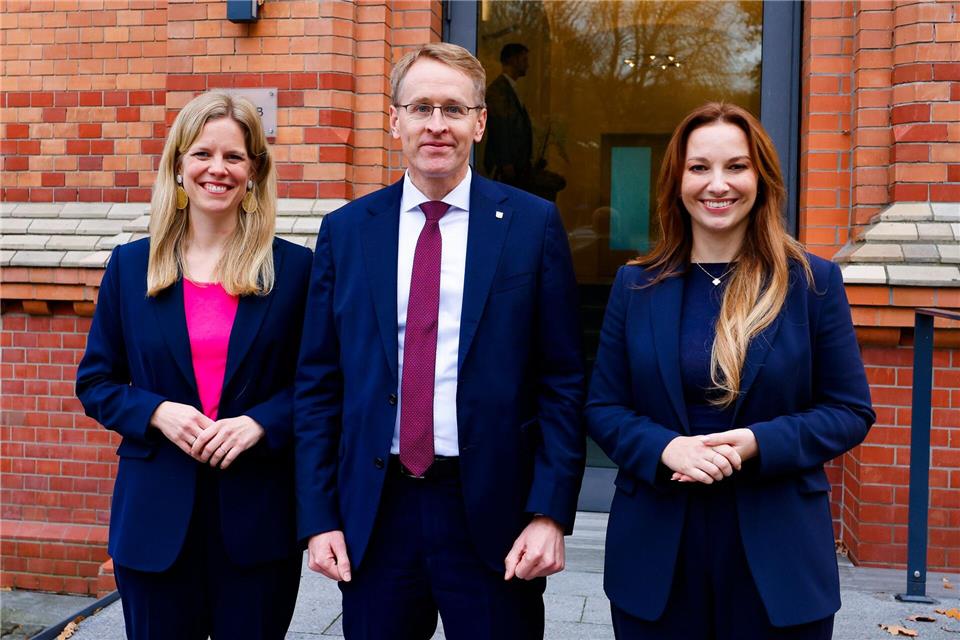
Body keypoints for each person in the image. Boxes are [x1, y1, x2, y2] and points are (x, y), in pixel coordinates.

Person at [294, 43, 585, 640]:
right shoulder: (347, 232)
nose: (436, 125)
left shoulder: (532, 226)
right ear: (393, 118)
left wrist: (550, 512)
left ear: (480, 121)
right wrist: (318, 517)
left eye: (454, 109)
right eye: (421, 106)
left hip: (494, 514)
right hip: (377, 513)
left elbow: (562, 380)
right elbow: (319, 385)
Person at [585, 102, 875, 639]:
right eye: (700, 168)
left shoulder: (813, 283)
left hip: (779, 552)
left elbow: (849, 411)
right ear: (677, 180)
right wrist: (664, 447)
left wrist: (756, 442)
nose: (718, 184)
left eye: (736, 166)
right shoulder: (636, 285)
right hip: (657, 551)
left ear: (761, 177)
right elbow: (603, 408)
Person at [76, 91, 312, 640]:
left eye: (234, 157)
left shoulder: (296, 270)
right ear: (179, 165)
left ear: (254, 170)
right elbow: (96, 382)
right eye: (203, 153)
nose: (218, 169)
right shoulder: (131, 266)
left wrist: (262, 422)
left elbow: (321, 385)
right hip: (154, 521)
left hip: (257, 520)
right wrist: (158, 412)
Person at [484, 43, 533, 188]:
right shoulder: (498, 90)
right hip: (506, 169)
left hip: (515, 167)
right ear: (513, 60)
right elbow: (499, 127)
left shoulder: (510, 88)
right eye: (524, 60)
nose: (528, 65)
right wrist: (506, 162)